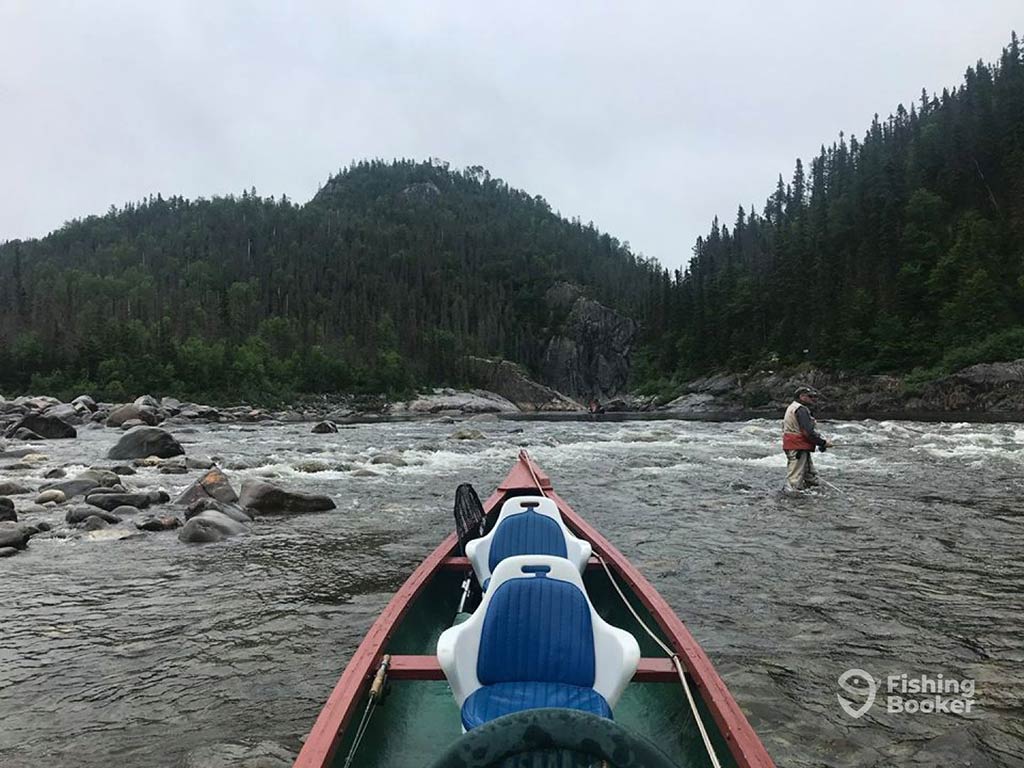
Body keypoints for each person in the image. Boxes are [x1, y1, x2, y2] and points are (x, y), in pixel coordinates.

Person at [782, 386, 832, 491]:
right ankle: (791, 499)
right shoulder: (801, 410)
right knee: (795, 477)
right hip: (797, 447)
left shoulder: (792, 407)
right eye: (810, 396)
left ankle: (810, 493)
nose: (813, 399)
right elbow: (808, 433)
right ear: (802, 397)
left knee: (809, 474)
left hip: (795, 446)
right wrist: (823, 443)